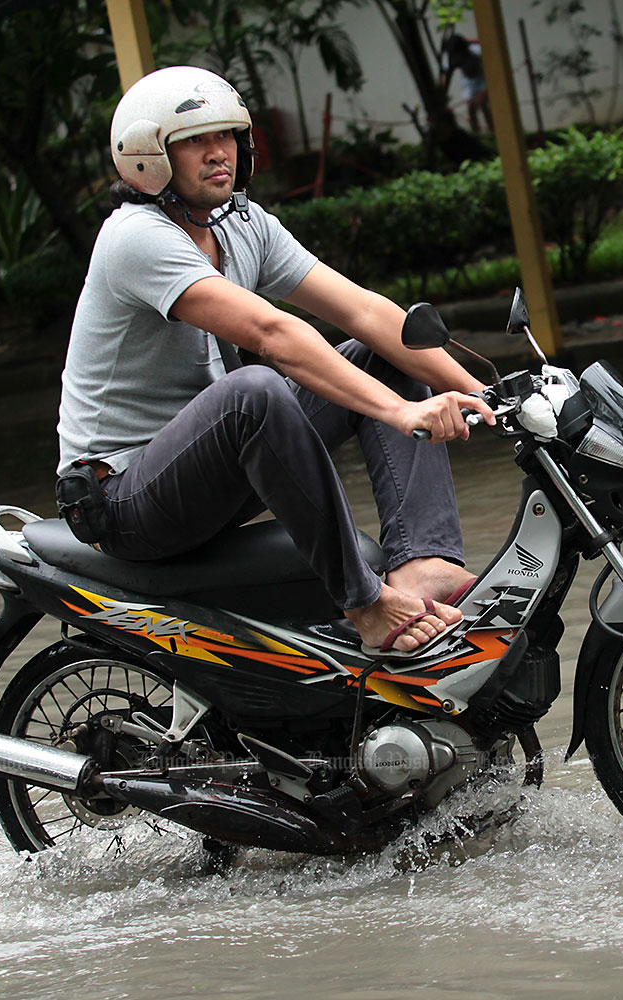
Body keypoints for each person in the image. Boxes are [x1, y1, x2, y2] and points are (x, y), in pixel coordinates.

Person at [56, 65, 494, 656]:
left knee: (381, 357)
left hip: (207, 472)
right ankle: (364, 603)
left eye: (227, 136)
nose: (219, 154)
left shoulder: (243, 226)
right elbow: (271, 331)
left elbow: (364, 311)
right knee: (257, 391)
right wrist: (399, 413)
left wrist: (487, 395)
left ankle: (425, 564)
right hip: (125, 499)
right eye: (194, 142)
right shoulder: (134, 236)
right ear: (148, 157)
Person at [442, 35, 493, 133]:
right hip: (469, 83)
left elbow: (487, 41)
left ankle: (493, 130)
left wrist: (468, 40)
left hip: (483, 78)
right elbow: (445, 76)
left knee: (482, 104)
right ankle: (477, 133)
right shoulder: (452, 58)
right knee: (471, 108)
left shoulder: (476, 50)